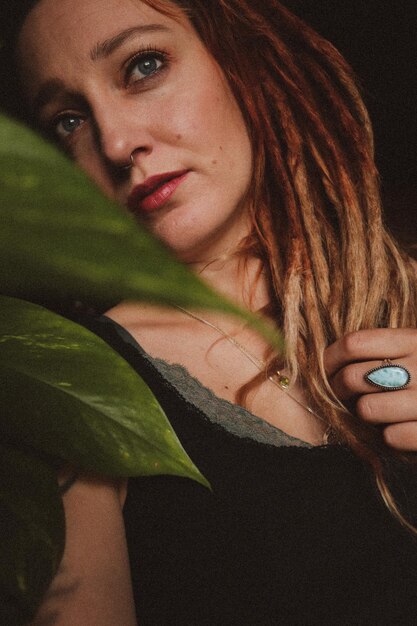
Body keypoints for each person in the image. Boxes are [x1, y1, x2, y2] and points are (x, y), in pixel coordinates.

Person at [4, 0, 417, 623]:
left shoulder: (403, 293)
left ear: (243, 58)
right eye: (67, 122)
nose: (116, 141)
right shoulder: (73, 387)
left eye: (142, 65)